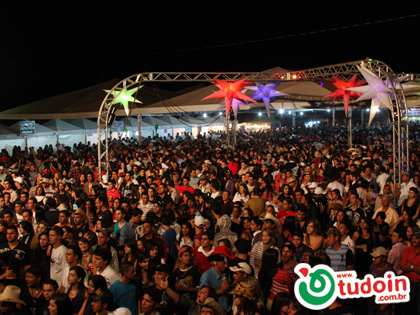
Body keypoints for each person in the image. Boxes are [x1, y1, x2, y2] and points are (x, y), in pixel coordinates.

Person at [199, 246, 235, 313]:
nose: (226, 266)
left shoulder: (227, 274)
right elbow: (201, 298)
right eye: (223, 263)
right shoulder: (207, 276)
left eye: (227, 263)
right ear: (216, 262)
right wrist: (220, 290)